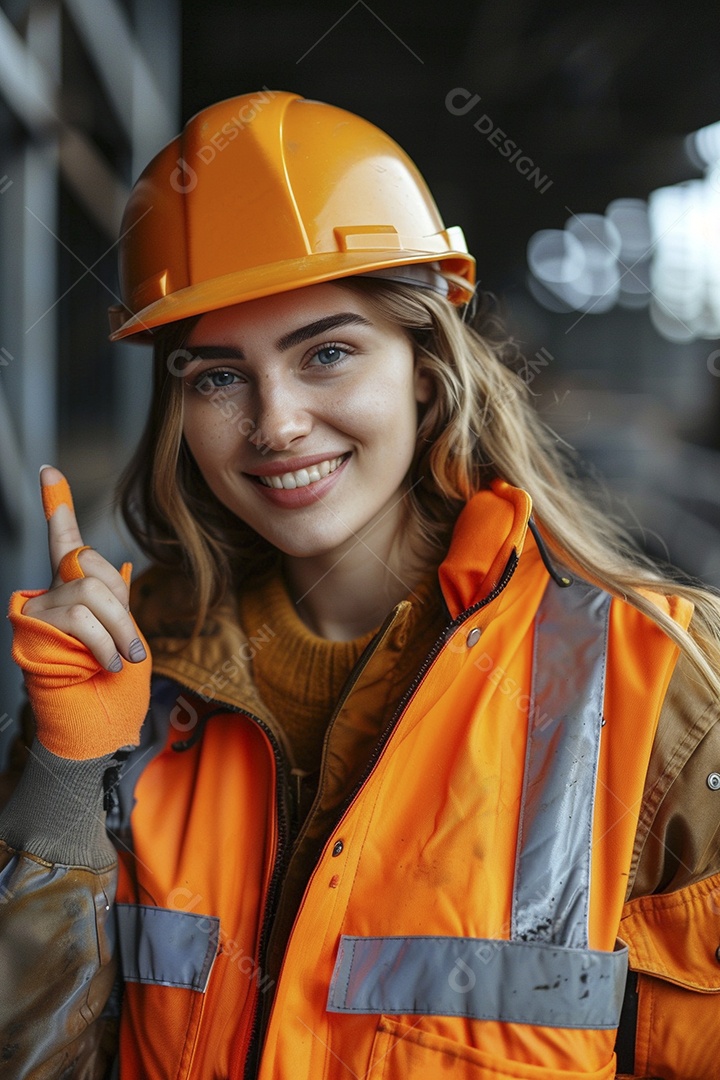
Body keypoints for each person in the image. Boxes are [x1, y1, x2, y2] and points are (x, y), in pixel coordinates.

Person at [0, 90, 718, 1080]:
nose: (276, 422)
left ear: (424, 366)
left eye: (327, 354)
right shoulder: (128, 679)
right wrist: (66, 770)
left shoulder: (667, 686)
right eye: (217, 375)